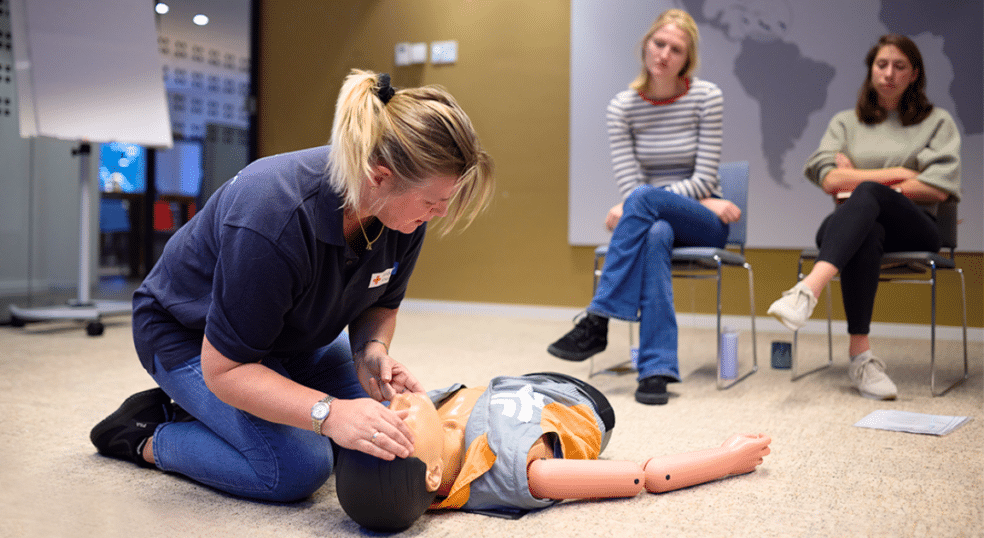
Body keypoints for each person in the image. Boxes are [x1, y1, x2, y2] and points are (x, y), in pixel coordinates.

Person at [89, 69, 495, 502]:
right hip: (190, 339)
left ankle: (229, 413)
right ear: (379, 176)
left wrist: (370, 351)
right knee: (298, 467)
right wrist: (329, 413)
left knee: (388, 428)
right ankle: (151, 432)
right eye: (433, 203)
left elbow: (381, 305)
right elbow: (226, 369)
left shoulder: (402, 214)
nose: (439, 215)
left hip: (291, 339)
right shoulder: (273, 217)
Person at [547, 8, 740, 405]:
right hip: (662, 217)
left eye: (677, 49)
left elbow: (704, 179)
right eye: (659, 43)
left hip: (706, 221)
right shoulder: (622, 107)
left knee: (643, 202)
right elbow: (632, 185)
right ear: (645, 45)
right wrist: (646, 200)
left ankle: (598, 318)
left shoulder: (707, 97)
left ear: (688, 59)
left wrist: (650, 199)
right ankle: (656, 371)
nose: (665, 54)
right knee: (653, 231)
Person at [767, 34, 961, 400]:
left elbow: (937, 188)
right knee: (866, 228)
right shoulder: (846, 123)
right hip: (857, 228)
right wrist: (902, 174)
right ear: (871, 70)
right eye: (881, 65)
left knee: (867, 194)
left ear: (914, 74)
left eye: (899, 66)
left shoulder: (938, 123)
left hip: (917, 227)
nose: (888, 73)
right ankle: (861, 355)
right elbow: (828, 179)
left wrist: (860, 178)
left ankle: (807, 290)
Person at [335, 372, 772, 532]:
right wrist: (727, 457)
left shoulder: (427, 407)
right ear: (433, 476)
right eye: (396, 429)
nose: (391, 411)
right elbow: (647, 477)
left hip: (520, 381)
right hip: (583, 398)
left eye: (379, 417)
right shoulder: (517, 471)